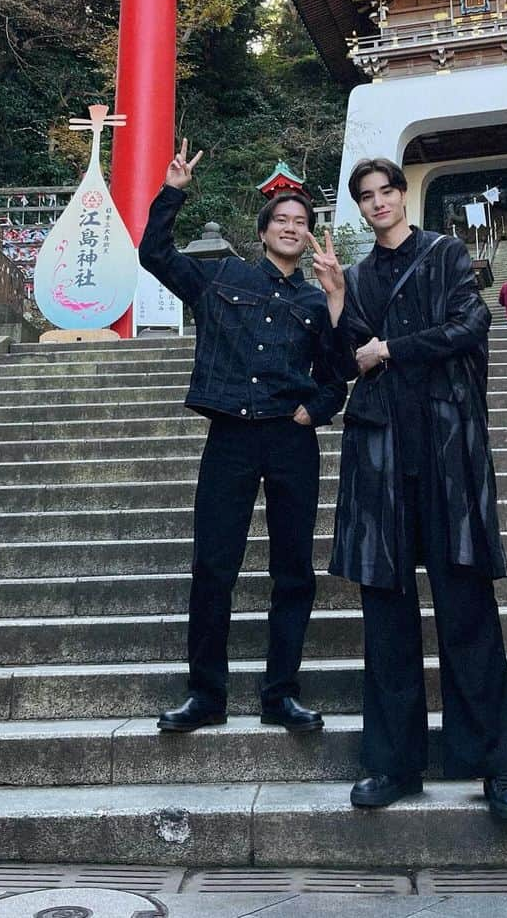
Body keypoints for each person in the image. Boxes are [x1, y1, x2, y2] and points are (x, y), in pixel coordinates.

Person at [308, 156, 507, 821]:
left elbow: (471, 326)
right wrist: (337, 304)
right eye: (366, 196)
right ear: (360, 207)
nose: (378, 203)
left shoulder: (443, 255)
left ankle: (497, 767)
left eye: (386, 192)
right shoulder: (354, 275)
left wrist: (392, 349)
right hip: (381, 459)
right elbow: (345, 361)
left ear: (404, 196)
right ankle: (393, 763)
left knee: (467, 612)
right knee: (386, 619)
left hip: (444, 456)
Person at [138, 139, 348, 734]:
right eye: (280, 220)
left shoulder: (316, 297)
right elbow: (155, 254)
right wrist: (172, 190)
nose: (290, 228)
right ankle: (206, 695)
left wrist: (317, 406)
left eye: (300, 222)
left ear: (310, 236)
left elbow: (340, 370)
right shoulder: (220, 277)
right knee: (213, 565)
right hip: (230, 435)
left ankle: (281, 693)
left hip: (290, 439)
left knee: (294, 571)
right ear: (263, 232)